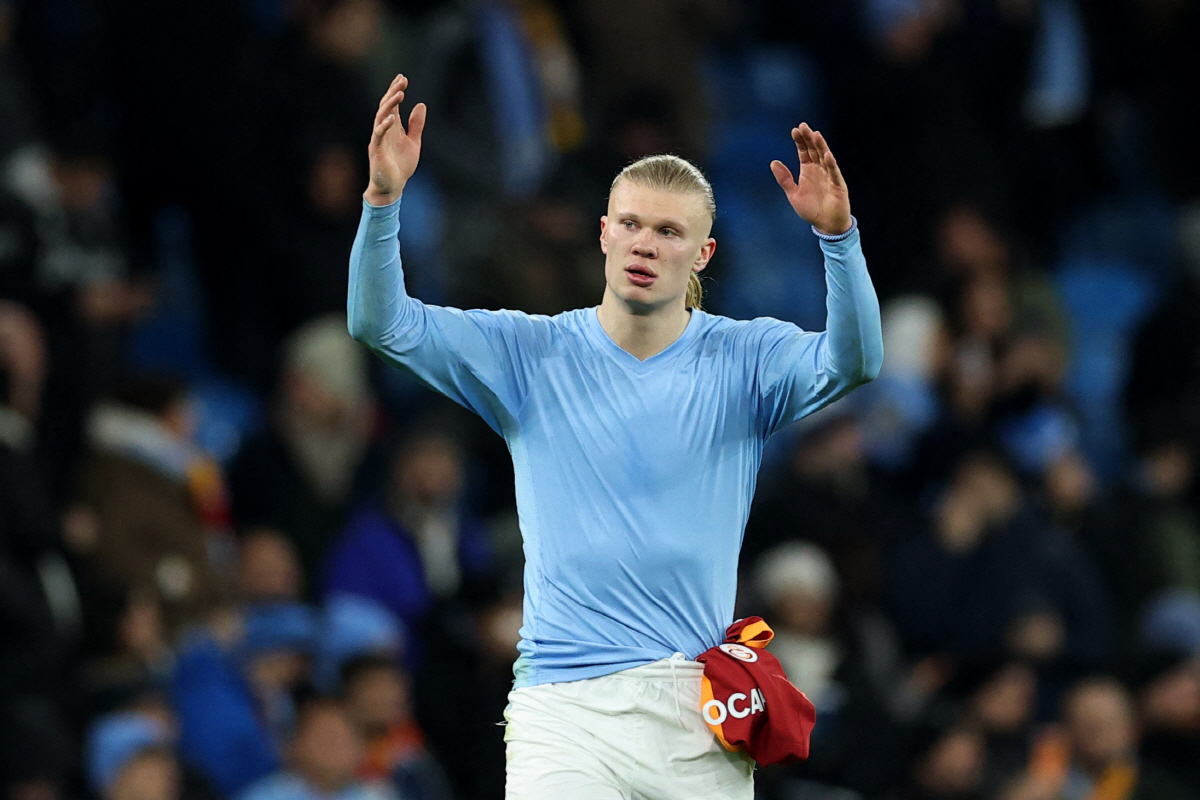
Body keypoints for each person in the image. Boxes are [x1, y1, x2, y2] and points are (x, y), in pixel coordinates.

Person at [348, 74, 883, 798]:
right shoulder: (528, 353)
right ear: (603, 233)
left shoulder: (747, 359)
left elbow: (856, 361)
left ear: (703, 254)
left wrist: (838, 239)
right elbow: (381, 324)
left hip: (696, 712)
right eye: (630, 224)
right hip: (563, 707)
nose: (644, 244)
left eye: (668, 232)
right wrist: (382, 202)